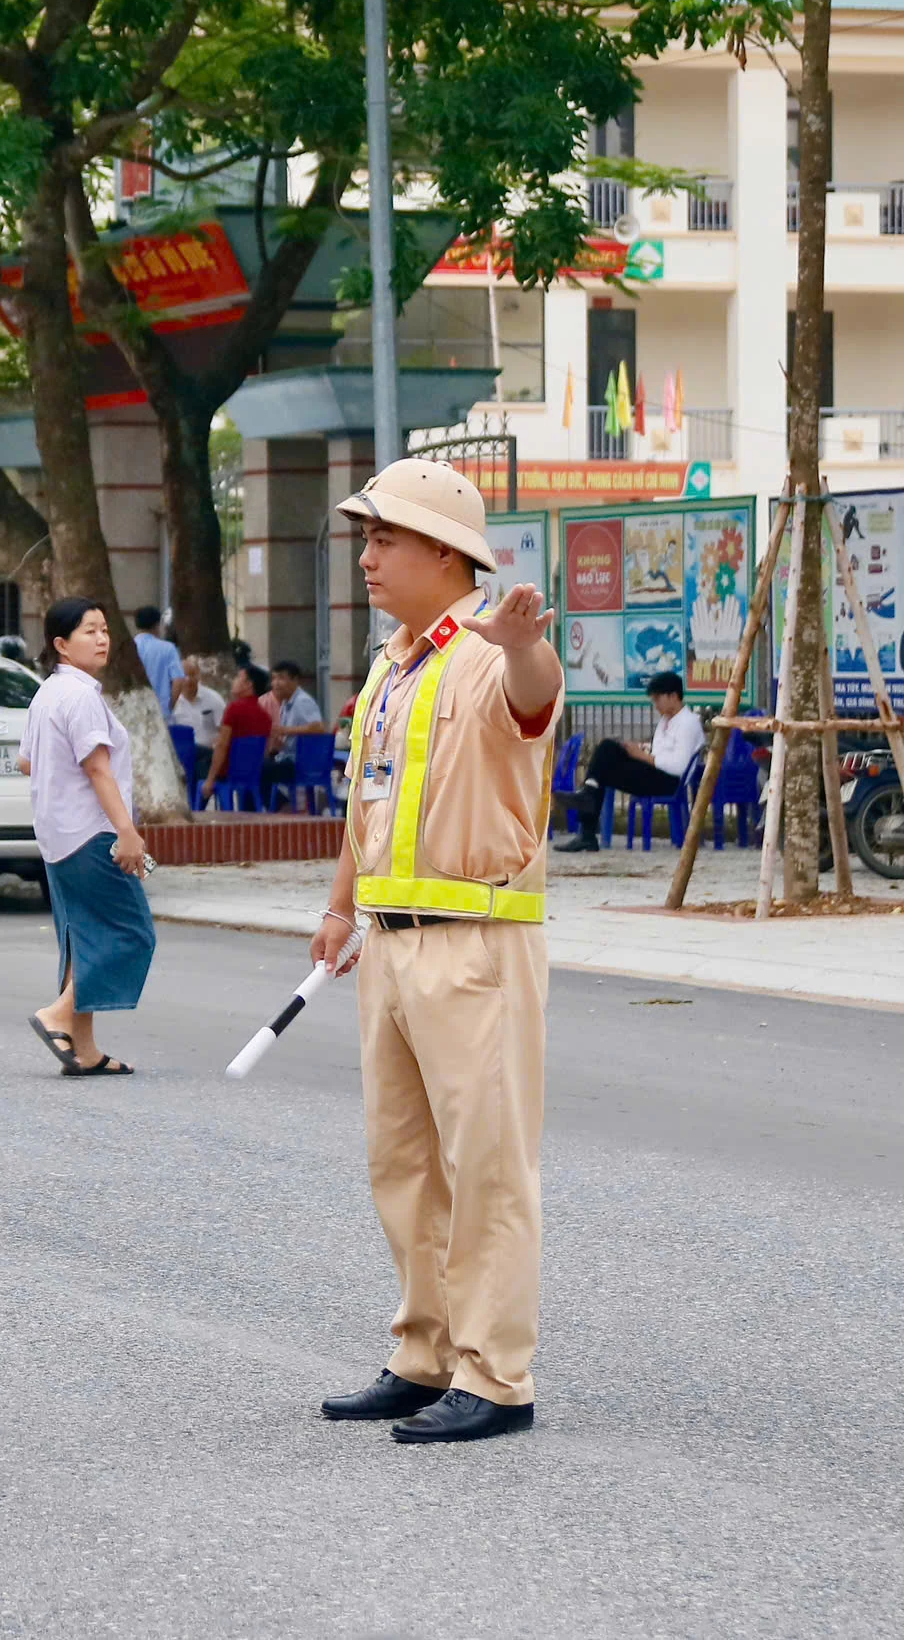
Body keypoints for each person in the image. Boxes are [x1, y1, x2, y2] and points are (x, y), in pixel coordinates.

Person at [310, 456, 561, 1445]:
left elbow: (535, 697)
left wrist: (525, 648)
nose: (366, 558)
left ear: (445, 553)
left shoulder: (492, 650)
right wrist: (340, 910)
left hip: (476, 948)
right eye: (366, 540)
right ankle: (426, 1352)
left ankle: (496, 1377)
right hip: (388, 945)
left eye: (384, 539)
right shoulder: (393, 664)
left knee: (486, 1167)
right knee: (404, 1163)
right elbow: (366, 799)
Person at [21, 597, 154, 1079]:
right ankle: (57, 1015)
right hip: (91, 833)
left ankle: (85, 1050)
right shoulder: (80, 697)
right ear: (62, 644)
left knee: (83, 938)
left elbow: (26, 761)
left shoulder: (48, 692)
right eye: (89, 631)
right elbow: (98, 768)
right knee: (131, 933)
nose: (102, 639)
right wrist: (127, 832)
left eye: (104, 630)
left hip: (58, 834)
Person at [556, 671, 704, 850]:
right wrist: (641, 748)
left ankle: (587, 828)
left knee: (605, 757)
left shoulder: (688, 723)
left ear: (673, 696)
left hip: (669, 782)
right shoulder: (666, 720)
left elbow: (678, 766)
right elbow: (661, 751)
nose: (655, 704)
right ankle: (587, 819)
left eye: (657, 699)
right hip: (656, 773)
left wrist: (642, 756)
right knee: (605, 760)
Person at [201, 662, 273, 802]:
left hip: (227, 771)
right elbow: (265, 751)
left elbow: (222, 745)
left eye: (238, 677)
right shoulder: (265, 716)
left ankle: (196, 807)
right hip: (251, 772)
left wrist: (210, 780)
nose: (234, 681)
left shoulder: (234, 708)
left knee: (194, 761)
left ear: (248, 684)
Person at [268, 660, 324, 809]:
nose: (275, 683)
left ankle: (282, 808)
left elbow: (318, 728)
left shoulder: (302, 701)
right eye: (273, 678)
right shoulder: (286, 704)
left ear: (295, 680)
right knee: (255, 767)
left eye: (281, 678)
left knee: (261, 772)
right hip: (289, 758)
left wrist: (285, 730)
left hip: (302, 763)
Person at [132, 605, 180, 719]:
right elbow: (179, 680)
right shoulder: (168, 648)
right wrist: (171, 705)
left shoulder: (130, 647)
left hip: (134, 710)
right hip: (161, 711)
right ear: (158, 624)